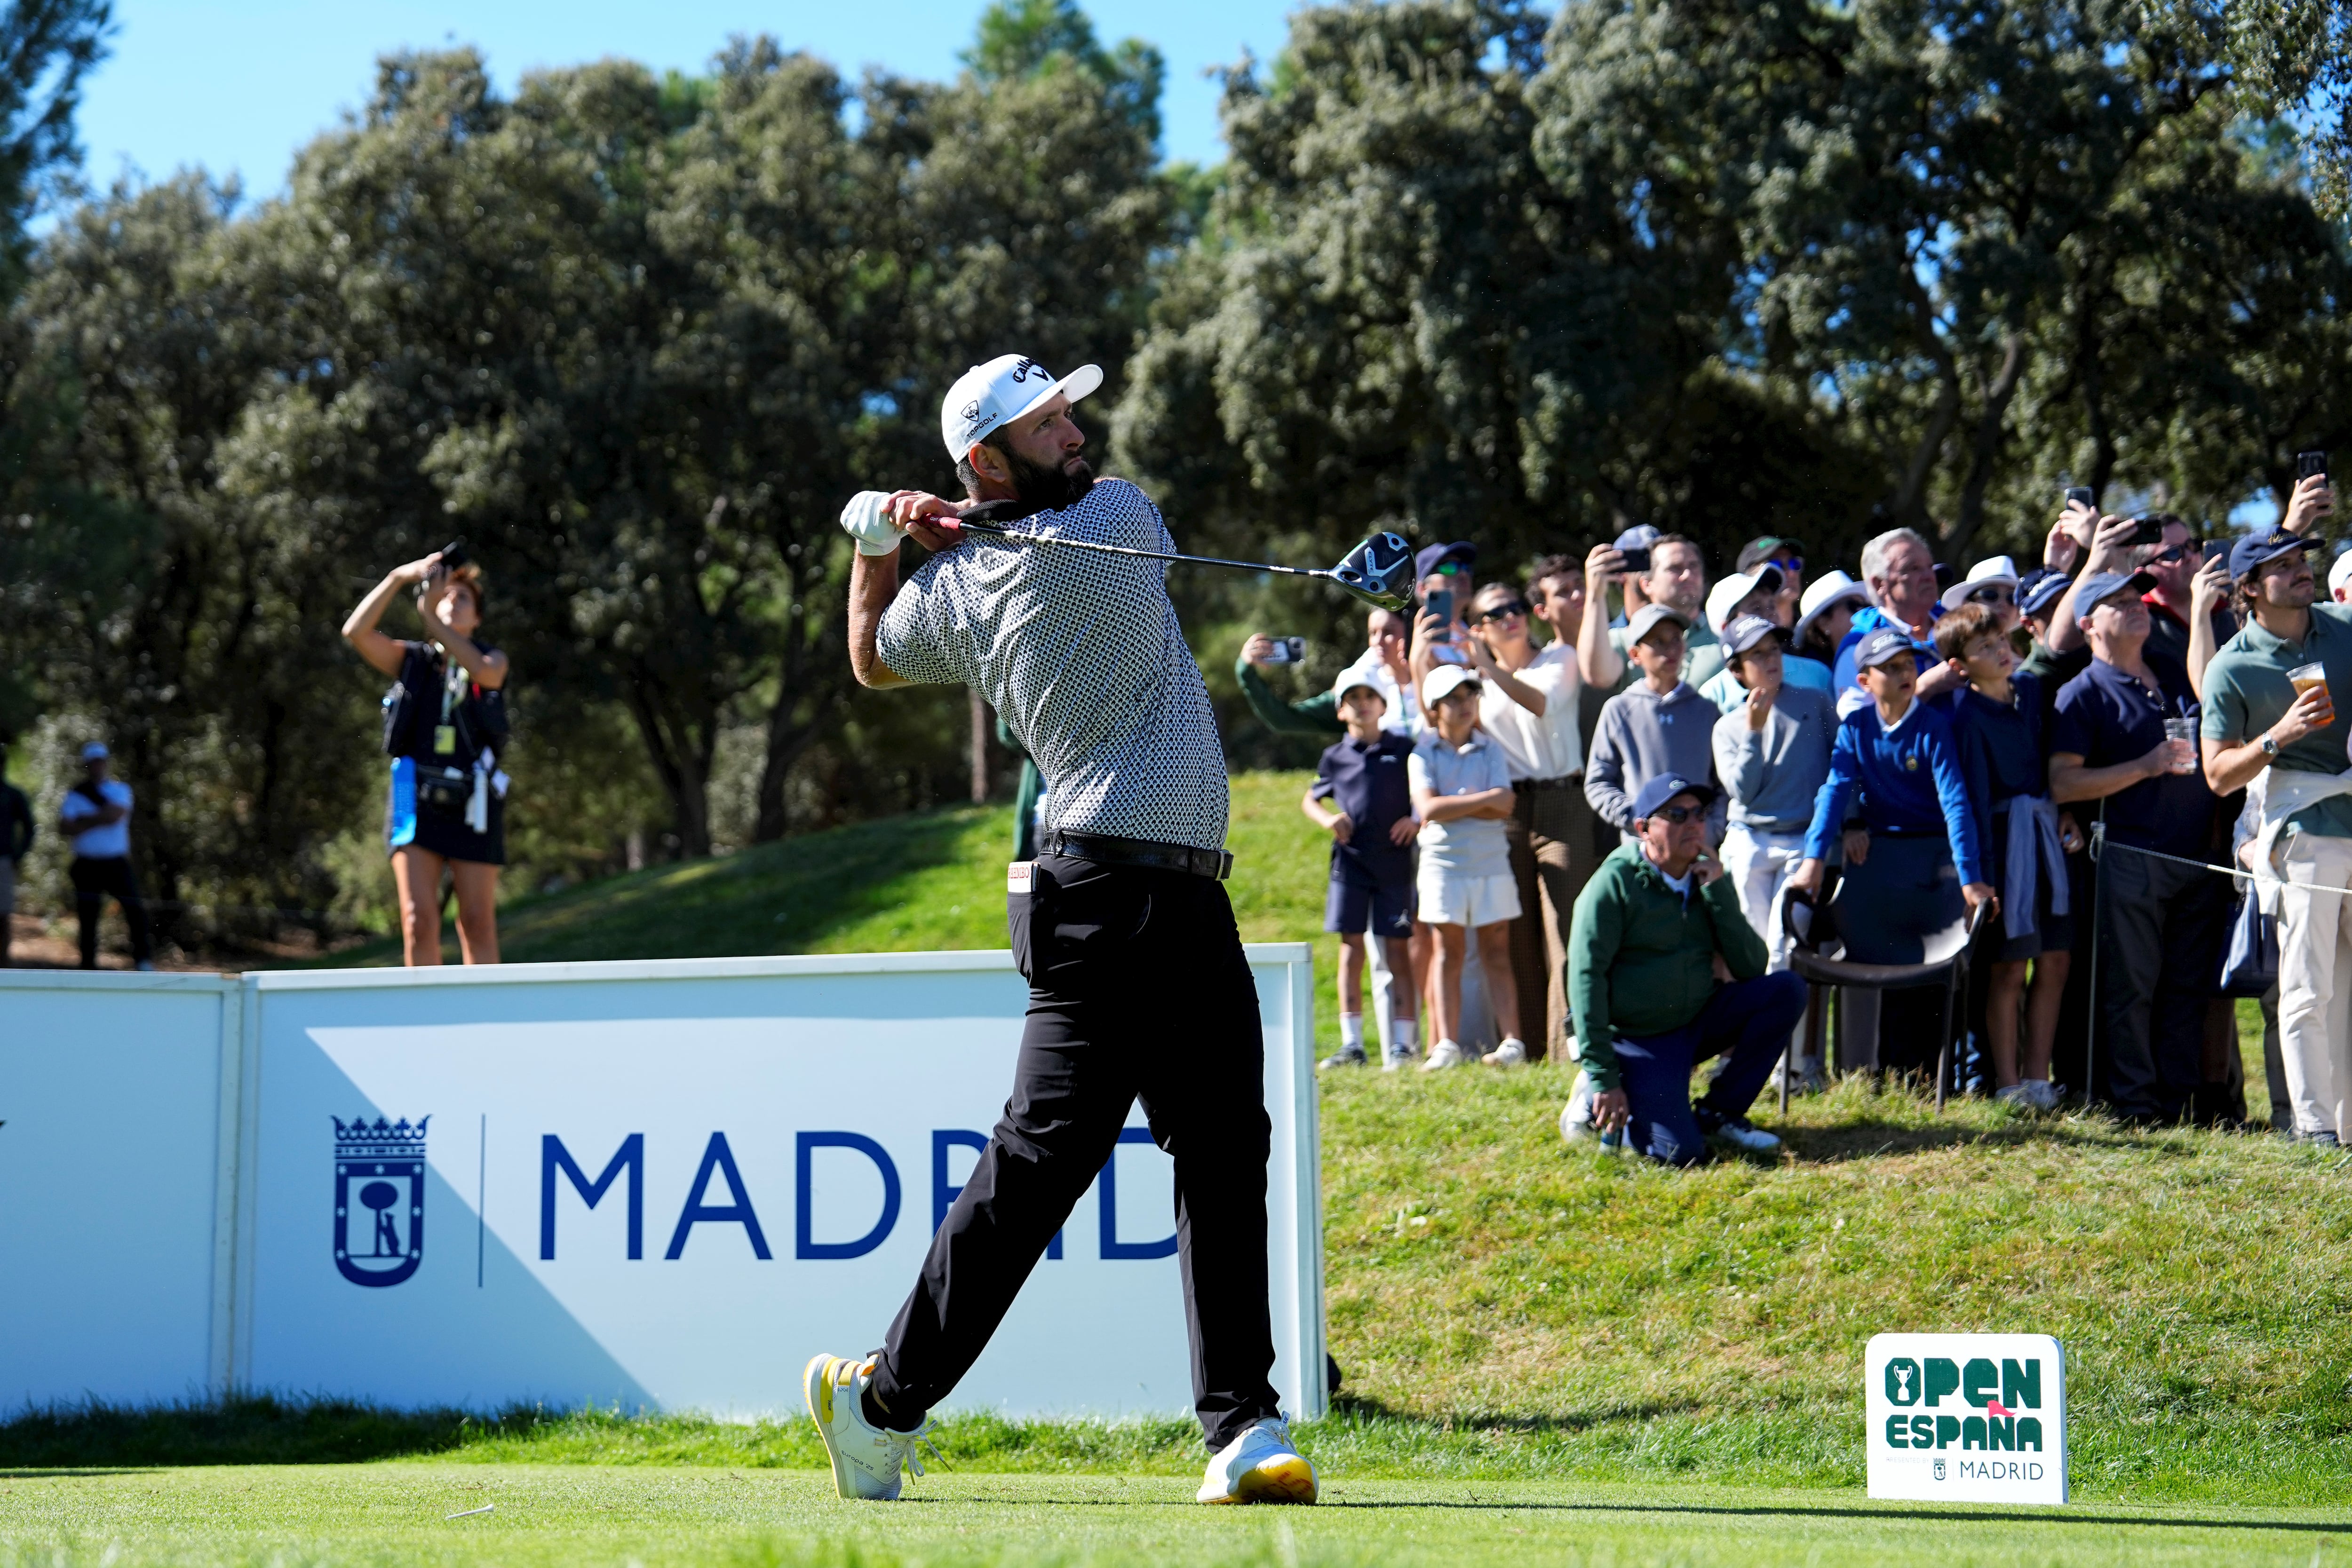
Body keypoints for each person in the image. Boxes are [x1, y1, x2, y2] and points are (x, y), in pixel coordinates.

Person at [824, 351, 1311, 1506]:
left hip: (1181, 895)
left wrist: (876, 542)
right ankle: (880, 1401)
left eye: (1067, 416)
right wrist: (944, 532)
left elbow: (866, 656)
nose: (1076, 435)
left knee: (1222, 1147)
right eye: (1046, 425)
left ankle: (1241, 1427)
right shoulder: (1119, 521)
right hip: (1103, 899)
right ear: (987, 455)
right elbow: (1026, 538)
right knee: (1042, 1165)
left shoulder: (962, 588)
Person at [2046, 569, 2225, 1122]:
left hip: (2198, 856)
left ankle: (2176, 1103)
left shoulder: (2171, 670)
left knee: (2186, 988)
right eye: (2116, 602)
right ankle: (2134, 1104)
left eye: (2135, 598)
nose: (2134, 606)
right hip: (2130, 859)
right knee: (2133, 990)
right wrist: (2143, 767)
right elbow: (2062, 783)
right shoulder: (2080, 693)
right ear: (2087, 625)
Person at [1559, 773, 1806, 1164]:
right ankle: (1593, 1092)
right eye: (1677, 815)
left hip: (1697, 1018)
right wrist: (1605, 1075)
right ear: (1643, 829)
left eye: (1700, 813)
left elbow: (1752, 967)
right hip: (1639, 1038)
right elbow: (1584, 982)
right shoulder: (1612, 885)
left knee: (1785, 990)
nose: (1694, 824)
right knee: (1680, 1154)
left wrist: (1719, 892)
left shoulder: (1705, 877)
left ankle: (1720, 1112)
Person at [2202, 525, 2352, 1145]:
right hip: (2301, 827)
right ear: (2250, 589)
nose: (2300, 571)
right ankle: (2313, 1126)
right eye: (2282, 566)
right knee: (2309, 984)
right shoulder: (2231, 665)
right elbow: (2215, 774)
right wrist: (2278, 735)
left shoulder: (2342, 628)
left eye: (2302, 561)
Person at [1790, 627, 1995, 1074]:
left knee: (1933, 981)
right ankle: (1887, 1075)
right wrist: (1813, 861)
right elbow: (1835, 790)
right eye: (1892, 667)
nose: (1906, 673)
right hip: (1880, 865)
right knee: (1885, 968)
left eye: (1909, 664)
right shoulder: (1857, 728)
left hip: (1934, 865)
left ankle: (1926, 1077)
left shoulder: (1934, 727)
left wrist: (1969, 877)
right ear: (1865, 682)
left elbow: (1955, 801)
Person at [1936, 603, 2080, 1108]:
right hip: (2002, 847)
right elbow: (1970, 802)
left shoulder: (2034, 692)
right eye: (1983, 648)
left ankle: (2038, 1078)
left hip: (2044, 841)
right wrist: (1978, 877)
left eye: (2000, 641)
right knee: (2007, 966)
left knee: (2055, 959)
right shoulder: (1965, 717)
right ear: (1959, 667)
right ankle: (2007, 1084)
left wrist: (2062, 812)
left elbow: (2051, 770)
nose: (2000, 652)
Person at [342, 550, 511, 966]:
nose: (453, 601)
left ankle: (486, 1024)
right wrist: (399, 576)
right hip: (413, 796)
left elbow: (485, 674)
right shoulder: (414, 661)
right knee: (418, 920)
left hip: (475, 801)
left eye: (464, 599)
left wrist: (431, 616)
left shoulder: (491, 660)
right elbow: (356, 632)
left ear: (478, 619)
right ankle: (426, 1023)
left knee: (477, 921)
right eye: (446, 595)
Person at [1462, 578, 1591, 1060]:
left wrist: (1486, 666)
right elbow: (1447, 723)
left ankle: (1568, 1048)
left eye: (1515, 606)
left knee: (1564, 925)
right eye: (1496, 613)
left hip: (1563, 801)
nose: (1510, 616)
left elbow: (1537, 704)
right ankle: (1529, 1049)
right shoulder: (1478, 678)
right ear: (1479, 628)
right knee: (1515, 932)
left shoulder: (1559, 658)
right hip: (1510, 809)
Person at [1710, 615, 1837, 1085]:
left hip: (1803, 840)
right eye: (1757, 655)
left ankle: (1788, 1068)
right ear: (1737, 670)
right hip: (1748, 842)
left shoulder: (1815, 703)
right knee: (1751, 956)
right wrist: (1754, 730)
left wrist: (1854, 822)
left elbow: (1839, 770)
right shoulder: (1726, 727)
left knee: (1783, 949)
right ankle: (1755, 1063)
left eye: (1773, 650)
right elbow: (1744, 791)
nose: (1770, 661)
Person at [1303, 670, 1421, 1071]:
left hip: (1394, 865)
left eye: (1370, 696)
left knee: (1398, 951)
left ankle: (1404, 1048)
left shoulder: (1405, 749)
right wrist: (1327, 820)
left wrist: (1416, 819)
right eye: (1353, 697)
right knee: (1351, 950)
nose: (1362, 703)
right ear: (1341, 711)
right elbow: (1311, 799)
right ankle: (1352, 1045)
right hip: (1350, 865)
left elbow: (1425, 791)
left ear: (1384, 706)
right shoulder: (1334, 757)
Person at [1411, 664, 1526, 1070]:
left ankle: (1513, 1042)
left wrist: (1453, 805)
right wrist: (1483, 801)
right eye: (1454, 699)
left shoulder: (1490, 748)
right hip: (1444, 865)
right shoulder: (1422, 753)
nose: (1465, 706)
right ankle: (1447, 1044)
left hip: (1490, 862)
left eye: (1469, 696)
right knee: (1448, 952)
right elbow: (1428, 808)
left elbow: (1507, 803)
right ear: (1435, 708)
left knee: (1497, 950)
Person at [1586, 605, 1724, 845]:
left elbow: (1722, 784)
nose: (1670, 649)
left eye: (1676, 639)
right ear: (1635, 655)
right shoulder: (1619, 710)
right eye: (1658, 642)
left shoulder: (1706, 710)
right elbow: (1599, 782)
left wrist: (1710, 830)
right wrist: (1636, 819)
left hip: (1697, 847)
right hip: (1641, 849)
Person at [1832, 529, 1969, 713]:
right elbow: (1859, 728)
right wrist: (1923, 688)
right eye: (1913, 569)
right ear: (1880, 584)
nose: (1929, 576)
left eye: (1929, 566)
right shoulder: (1859, 646)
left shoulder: (1961, 625)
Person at [1235, 610, 1418, 738]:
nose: (1378, 641)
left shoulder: (1438, 665)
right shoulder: (1360, 681)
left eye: (1388, 632)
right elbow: (1284, 720)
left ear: (1411, 629)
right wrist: (1246, 671)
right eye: (1372, 633)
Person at [1584, 534, 1724, 694]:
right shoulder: (1626, 639)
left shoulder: (1725, 635)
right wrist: (1595, 595)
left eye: (1693, 566)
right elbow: (1599, 677)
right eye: (1675, 568)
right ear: (1647, 584)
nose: (1687, 575)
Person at [59, 741, 154, 971]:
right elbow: (65, 827)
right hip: (86, 865)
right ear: (87, 765)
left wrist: (84, 820)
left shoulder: (120, 791)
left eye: (100, 761)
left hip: (115, 863)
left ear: (106, 763)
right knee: (88, 915)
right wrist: (99, 818)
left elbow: (115, 815)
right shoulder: (76, 794)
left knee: (134, 909)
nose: (97, 766)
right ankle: (88, 965)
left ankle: (142, 960)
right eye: (92, 763)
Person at [1699, 565, 1831, 712]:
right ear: (1726, 629)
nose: (1770, 614)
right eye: (1756, 609)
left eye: (1772, 605)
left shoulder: (1818, 674)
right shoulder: (1712, 695)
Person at [1794, 570, 1869, 670]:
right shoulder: (1817, 678)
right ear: (1823, 623)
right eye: (1853, 605)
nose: (1863, 612)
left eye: (1865, 606)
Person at [0, 740, 30, 966]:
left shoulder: (13, 795)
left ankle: (3, 963)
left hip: (4, 861)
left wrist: (18, 855)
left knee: (3, 915)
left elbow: (29, 828)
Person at [1736, 536, 1806, 628]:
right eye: (1776, 565)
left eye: (1794, 564)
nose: (1791, 573)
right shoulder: (1737, 641)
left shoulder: (1815, 634)